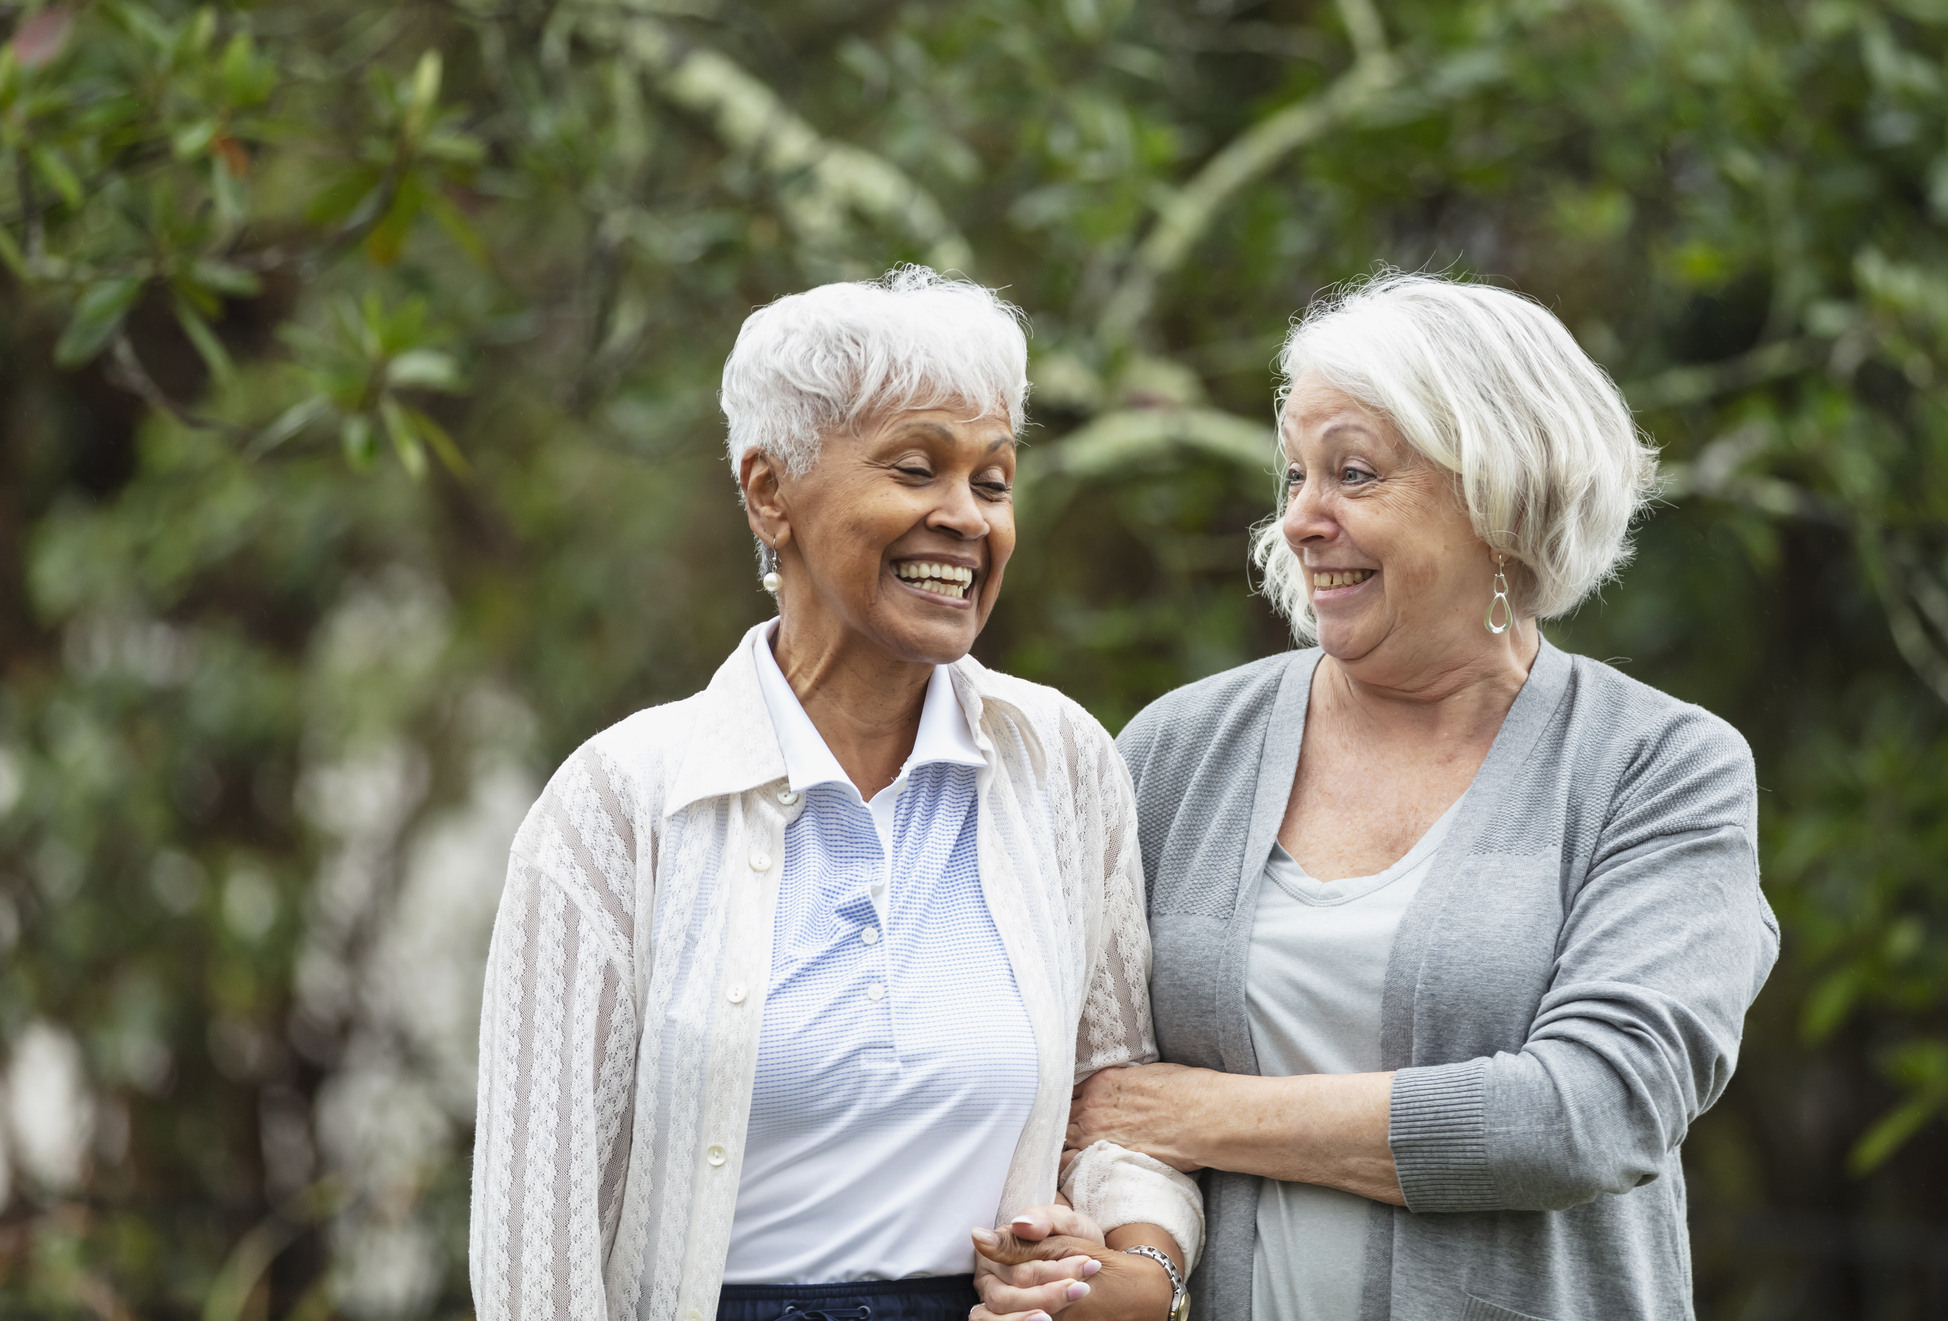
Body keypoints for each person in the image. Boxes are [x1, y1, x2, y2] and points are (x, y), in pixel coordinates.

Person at [469, 268, 1200, 1321]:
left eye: (993, 483)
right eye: (916, 468)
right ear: (771, 493)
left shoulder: (1062, 765)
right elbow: (534, 1255)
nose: (965, 519)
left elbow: (1116, 1103)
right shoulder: (621, 802)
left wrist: (1129, 1263)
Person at [1060, 272, 1780, 1321]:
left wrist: (1198, 1112)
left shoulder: (1658, 767)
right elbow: (1087, 1099)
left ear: (1501, 498)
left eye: (1354, 472)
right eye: (1296, 473)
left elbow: (1588, 1113)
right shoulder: (1175, 750)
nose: (1305, 518)